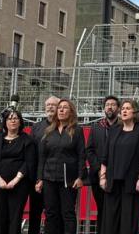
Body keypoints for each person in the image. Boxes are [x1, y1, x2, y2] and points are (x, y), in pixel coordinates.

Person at [35, 98, 85, 234]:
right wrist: (39, 179)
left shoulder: (77, 130)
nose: (61, 110)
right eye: (60, 107)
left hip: (68, 180)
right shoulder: (49, 131)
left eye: (65, 108)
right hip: (49, 178)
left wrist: (80, 177)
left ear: (71, 112)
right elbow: (42, 157)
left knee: (68, 214)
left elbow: (81, 155)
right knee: (51, 214)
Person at [100, 100, 139, 234]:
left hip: (131, 182)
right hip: (113, 181)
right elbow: (106, 156)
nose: (124, 111)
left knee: (129, 220)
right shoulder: (114, 130)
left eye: (128, 108)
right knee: (111, 219)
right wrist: (102, 177)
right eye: (123, 109)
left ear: (135, 111)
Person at [0, 109, 37, 234]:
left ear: (20, 122)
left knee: (15, 218)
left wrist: (15, 180)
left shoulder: (27, 140)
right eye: (9, 118)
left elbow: (29, 162)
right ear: (5, 122)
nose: (13, 121)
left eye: (16, 118)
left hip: (19, 185)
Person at [87, 96, 119, 233]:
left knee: (116, 211)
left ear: (118, 108)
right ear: (104, 108)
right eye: (107, 105)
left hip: (117, 177)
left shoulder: (123, 127)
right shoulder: (96, 127)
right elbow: (89, 150)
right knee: (102, 209)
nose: (110, 107)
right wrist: (100, 170)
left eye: (113, 104)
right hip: (98, 177)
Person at [27, 96, 59, 234]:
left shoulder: (62, 126)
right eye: (48, 105)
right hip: (36, 176)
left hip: (54, 176)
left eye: (53, 105)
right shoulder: (37, 127)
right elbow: (31, 152)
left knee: (52, 213)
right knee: (35, 212)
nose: (50, 107)